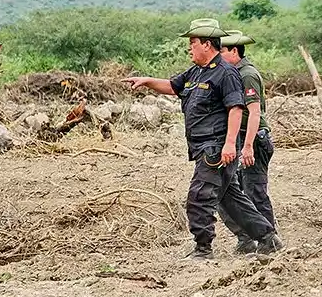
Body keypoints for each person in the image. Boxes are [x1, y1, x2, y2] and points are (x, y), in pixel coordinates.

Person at [121, 19, 285, 259]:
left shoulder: (226, 73)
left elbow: (236, 109)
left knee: (199, 197)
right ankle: (267, 238)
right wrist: (147, 81)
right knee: (231, 199)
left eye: (193, 42)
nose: (190, 48)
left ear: (207, 44)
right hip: (202, 147)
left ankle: (203, 248)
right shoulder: (196, 71)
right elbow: (172, 86)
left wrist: (230, 144)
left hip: (216, 147)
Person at [215, 30, 277, 253]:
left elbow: (254, 113)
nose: (218, 55)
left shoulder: (247, 74)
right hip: (238, 139)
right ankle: (246, 238)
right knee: (231, 193)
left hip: (253, 139)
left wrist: (248, 145)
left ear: (234, 51)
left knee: (254, 192)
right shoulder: (229, 73)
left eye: (221, 50)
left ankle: (270, 240)